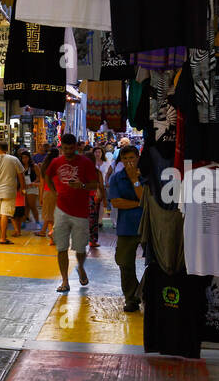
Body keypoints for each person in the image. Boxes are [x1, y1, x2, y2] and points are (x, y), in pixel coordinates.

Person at [47, 133, 105, 293]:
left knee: (80, 248)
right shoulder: (56, 162)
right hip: (61, 210)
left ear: (76, 147)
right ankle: (65, 280)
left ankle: (80, 267)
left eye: (71, 148)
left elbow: (94, 185)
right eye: (65, 148)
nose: (68, 151)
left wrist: (82, 186)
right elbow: (47, 175)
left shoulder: (85, 163)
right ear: (61, 147)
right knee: (61, 247)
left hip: (80, 212)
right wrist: (54, 192)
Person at [107, 144, 145, 311]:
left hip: (146, 226)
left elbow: (145, 197)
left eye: (132, 158)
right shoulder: (116, 178)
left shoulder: (145, 175)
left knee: (155, 262)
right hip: (126, 228)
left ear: (138, 158)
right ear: (120, 160)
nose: (129, 162)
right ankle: (131, 297)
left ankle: (145, 293)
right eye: (125, 158)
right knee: (124, 262)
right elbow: (116, 202)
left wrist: (135, 180)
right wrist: (139, 204)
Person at [34, 141, 57, 244]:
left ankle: (48, 234)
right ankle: (51, 235)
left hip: (47, 192)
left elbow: (42, 183)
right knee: (54, 215)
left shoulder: (44, 166)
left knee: (48, 215)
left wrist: (40, 196)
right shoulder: (59, 165)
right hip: (58, 192)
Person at [18, 149, 41, 228]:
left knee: (32, 205)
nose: (24, 159)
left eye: (26, 157)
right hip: (24, 187)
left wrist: (34, 182)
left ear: (29, 158)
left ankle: (37, 222)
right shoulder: (20, 167)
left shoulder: (34, 166)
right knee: (25, 206)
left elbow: (39, 177)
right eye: (23, 158)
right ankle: (23, 221)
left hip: (32, 188)